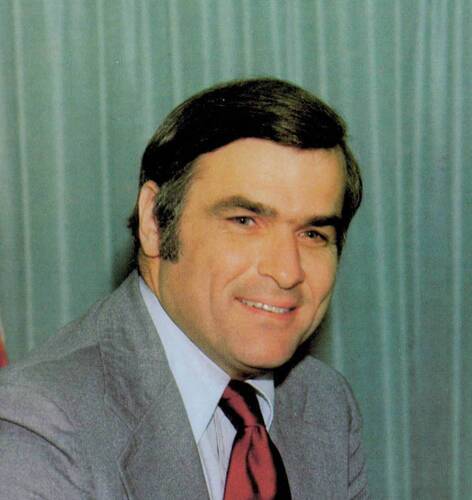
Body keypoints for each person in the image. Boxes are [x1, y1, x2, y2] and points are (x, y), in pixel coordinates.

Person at [0, 78, 369, 499]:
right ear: (155, 222)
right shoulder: (40, 424)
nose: (287, 272)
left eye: (314, 234)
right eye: (245, 221)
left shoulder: (325, 405)